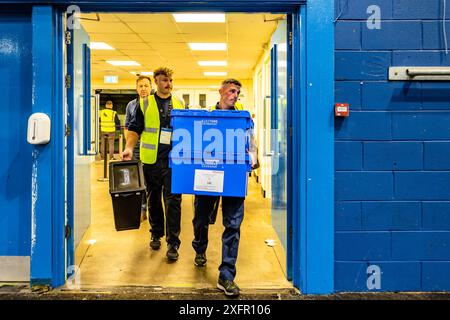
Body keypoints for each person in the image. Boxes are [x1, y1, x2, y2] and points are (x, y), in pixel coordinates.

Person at [192, 78, 257, 297]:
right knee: (201, 217)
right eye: (231, 90)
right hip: (209, 174)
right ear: (220, 92)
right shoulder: (207, 117)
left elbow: (252, 143)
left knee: (233, 225)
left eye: (238, 92)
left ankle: (226, 275)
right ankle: (199, 248)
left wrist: (254, 157)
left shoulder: (243, 118)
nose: (235, 95)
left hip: (234, 177)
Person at [122, 67, 185, 261]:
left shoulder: (180, 103)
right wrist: (129, 148)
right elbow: (134, 129)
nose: (168, 84)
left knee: (173, 201)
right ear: (156, 82)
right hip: (151, 159)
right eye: (164, 80)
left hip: (174, 160)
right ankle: (156, 233)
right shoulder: (145, 103)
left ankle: (173, 243)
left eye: (170, 80)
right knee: (153, 199)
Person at [124, 75, 153, 222]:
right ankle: (141, 208)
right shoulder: (131, 105)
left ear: (151, 87)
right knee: (136, 180)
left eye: (146, 86)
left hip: (150, 150)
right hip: (135, 149)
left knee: (148, 181)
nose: (143, 89)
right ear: (136, 88)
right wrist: (128, 146)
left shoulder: (154, 104)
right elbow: (127, 126)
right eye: (140, 86)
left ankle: (146, 208)